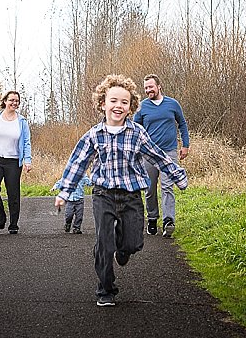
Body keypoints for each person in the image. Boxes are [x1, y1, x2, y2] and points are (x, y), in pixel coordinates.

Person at [54, 74, 188, 307]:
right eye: (113, 100)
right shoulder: (94, 135)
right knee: (103, 244)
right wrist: (64, 192)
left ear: (131, 107)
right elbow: (77, 163)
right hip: (103, 195)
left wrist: (177, 175)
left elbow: (157, 156)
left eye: (124, 102)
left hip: (131, 197)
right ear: (103, 103)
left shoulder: (136, 133)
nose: (118, 106)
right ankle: (105, 289)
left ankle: (123, 247)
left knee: (133, 243)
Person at [133, 73, 190, 238]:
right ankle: (152, 218)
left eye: (151, 87)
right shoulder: (142, 107)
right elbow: (136, 130)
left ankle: (168, 221)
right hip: (149, 154)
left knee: (167, 187)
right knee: (150, 189)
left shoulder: (172, 104)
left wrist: (185, 145)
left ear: (159, 86)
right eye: (146, 88)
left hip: (169, 152)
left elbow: (182, 123)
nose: (148, 90)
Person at [0, 90, 32, 235]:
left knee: (13, 193)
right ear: (5, 101)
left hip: (14, 162)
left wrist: (27, 160)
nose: (14, 103)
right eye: (11, 100)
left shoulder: (22, 122)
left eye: (17, 101)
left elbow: (26, 142)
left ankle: (13, 224)